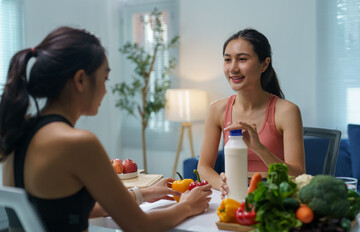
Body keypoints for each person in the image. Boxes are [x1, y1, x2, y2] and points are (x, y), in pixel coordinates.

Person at [0, 26, 212, 232]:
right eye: (105, 78)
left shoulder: (18, 132)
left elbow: (61, 209)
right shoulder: (77, 142)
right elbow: (139, 226)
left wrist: (142, 194)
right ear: (81, 80)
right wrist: (187, 206)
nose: (105, 89)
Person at [197, 28, 305, 195]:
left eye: (242, 59)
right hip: (233, 195)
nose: (233, 68)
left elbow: (297, 174)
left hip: (272, 197)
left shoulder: (287, 111)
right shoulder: (217, 110)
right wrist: (222, 185)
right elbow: (203, 167)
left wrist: (259, 148)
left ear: (264, 64)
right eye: (227, 60)